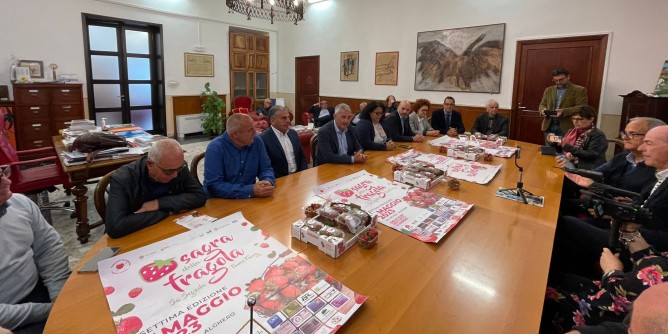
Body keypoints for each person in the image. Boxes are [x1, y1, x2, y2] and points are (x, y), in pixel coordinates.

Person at [551, 126, 668, 280]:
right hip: (625, 229)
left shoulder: (651, 172)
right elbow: (645, 207)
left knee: (564, 223)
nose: (641, 147)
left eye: (649, 143)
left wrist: (628, 225)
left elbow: (657, 226)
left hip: (641, 246)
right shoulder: (657, 174)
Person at [542, 231, 668, 334]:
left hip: (597, 310)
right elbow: (654, 261)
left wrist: (611, 271)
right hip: (599, 292)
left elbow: (625, 293)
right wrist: (630, 233)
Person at [0, 165, 71, 332]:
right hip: (10, 320)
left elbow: (48, 247)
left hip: (42, 290)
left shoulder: (19, 203)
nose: (8, 181)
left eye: (2, 173)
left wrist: (58, 294)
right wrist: (52, 310)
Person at [105, 139, 207, 238]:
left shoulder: (177, 167)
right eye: (169, 172)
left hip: (170, 230)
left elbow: (199, 196)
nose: (175, 175)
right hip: (138, 236)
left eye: (178, 169)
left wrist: (158, 204)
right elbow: (115, 226)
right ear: (150, 164)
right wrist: (166, 212)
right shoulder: (123, 179)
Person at [204, 113, 276, 199]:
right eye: (250, 130)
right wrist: (251, 190)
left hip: (249, 199)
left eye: (254, 127)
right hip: (221, 202)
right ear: (235, 134)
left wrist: (267, 181)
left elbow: (266, 168)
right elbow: (214, 186)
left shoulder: (256, 141)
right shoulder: (215, 147)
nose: (255, 132)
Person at [539, 67, 588, 142]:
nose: (558, 82)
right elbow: (542, 104)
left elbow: (582, 107)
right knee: (548, 151)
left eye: (561, 80)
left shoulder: (579, 90)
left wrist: (564, 111)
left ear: (568, 77)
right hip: (549, 125)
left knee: (564, 151)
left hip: (567, 127)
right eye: (555, 80)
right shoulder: (549, 90)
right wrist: (542, 110)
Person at [551, 105, 607, 170]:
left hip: (588, 169)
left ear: (591, 119)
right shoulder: (571, 131)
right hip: (571, 164)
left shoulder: (598, 135)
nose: (575, 122)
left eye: (579, 119)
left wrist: (568, 148)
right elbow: (561, 150)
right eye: (573, 119)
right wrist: (554, 143)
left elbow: (591, 155)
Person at [259, 106, 309, 178]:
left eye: (288, 117)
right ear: (273, 121)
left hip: (298, 177)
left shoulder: (293, 133)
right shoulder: (263, 138)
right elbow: (265, 167)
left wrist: (304, 173)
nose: (288, 121)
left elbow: (302, 157)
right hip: (279, 180)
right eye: (283, 118)